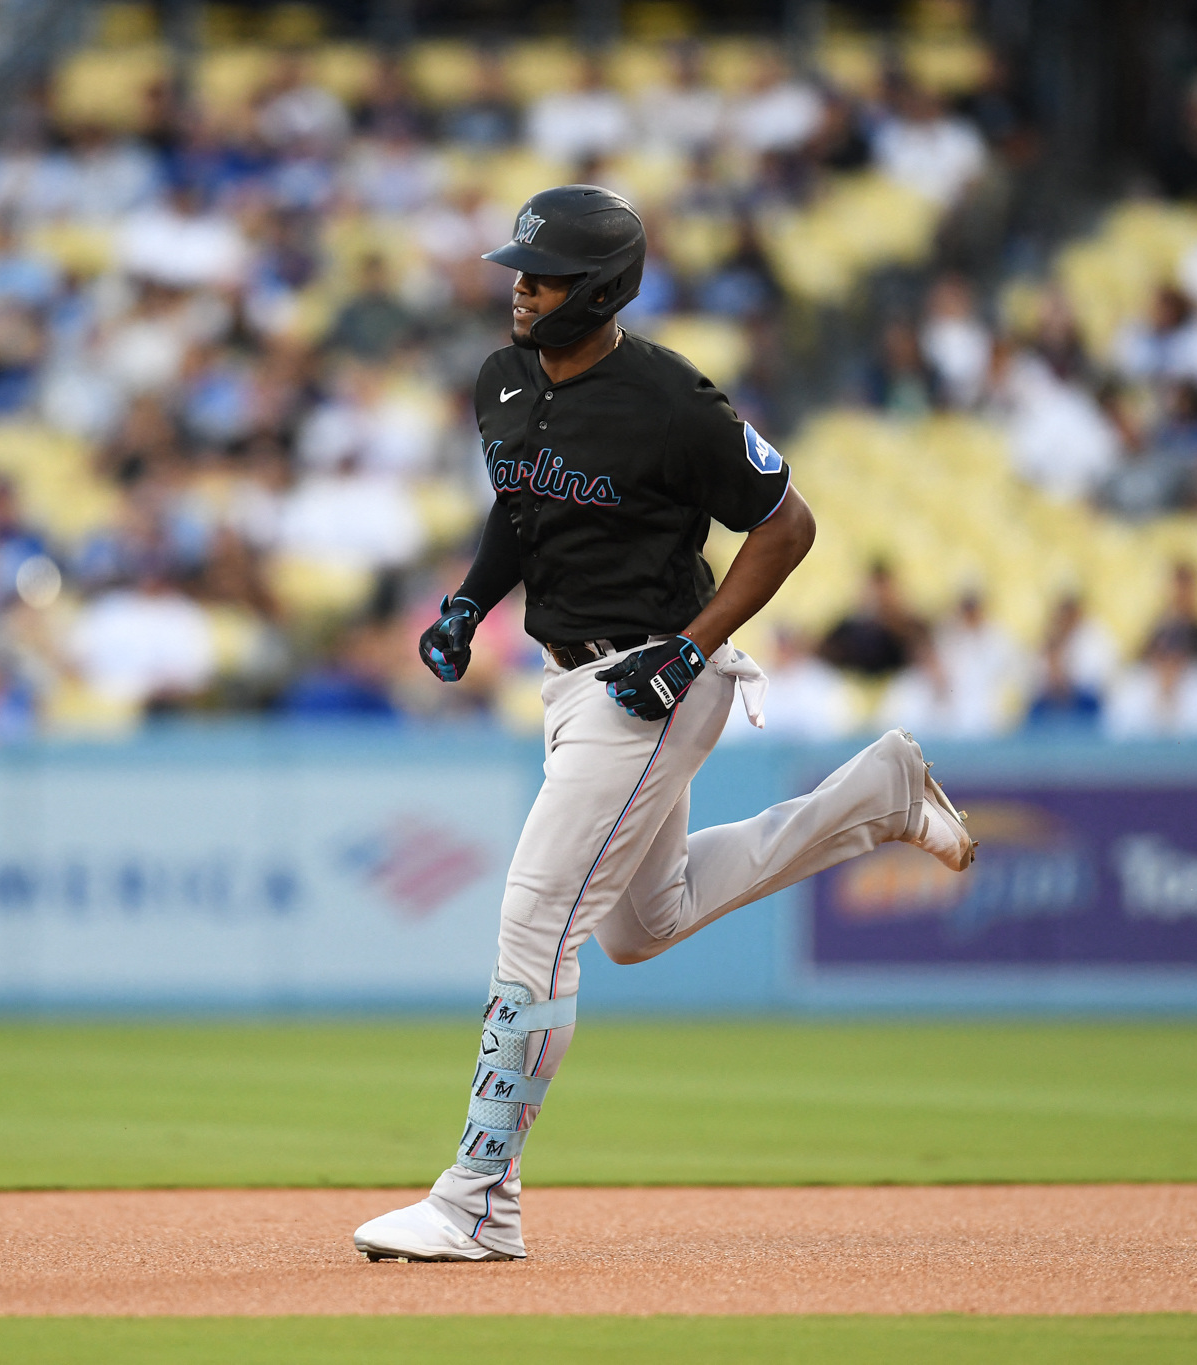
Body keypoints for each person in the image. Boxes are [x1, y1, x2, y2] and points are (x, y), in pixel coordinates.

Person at [350, 186, 977, 1264]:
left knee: (534, 925)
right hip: (571, 681)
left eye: (539, 275)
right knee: (643, 923)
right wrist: (467, 601)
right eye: (516, 269)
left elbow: (787, 526)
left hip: (649, 678)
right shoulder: (502, 379)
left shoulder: (675, 403)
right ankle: (874, 796)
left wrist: (690, 647)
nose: (518, 288)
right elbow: (521, 505)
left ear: (595, 291)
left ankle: (476, 1199)